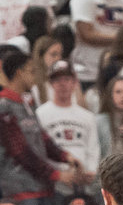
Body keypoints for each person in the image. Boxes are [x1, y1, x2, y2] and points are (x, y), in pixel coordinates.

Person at [0, 49, 80, 205]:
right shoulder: (4, 107)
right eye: (31, 71)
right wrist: (56, 174)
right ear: (19, 73)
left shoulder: (26, 104)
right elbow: (20, 151)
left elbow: (42, 138)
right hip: (21, 187)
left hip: (41, 184)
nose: (34, 76)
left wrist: (64, 156)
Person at [37, 61, 101, 196]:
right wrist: (56, 174)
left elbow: (92, 147)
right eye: (58, 80)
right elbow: (40, 149)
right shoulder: (40, 114)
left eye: (67, 79)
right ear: (51, 83)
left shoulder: (87, 116)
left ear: (75, 82)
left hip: (81, 181)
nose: (63, 84)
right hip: (53, 182)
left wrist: (90, 170)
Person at [69, 0, 123, 86]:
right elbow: (87, 35)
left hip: (115, 70)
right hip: (87, 71)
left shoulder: (122, 1)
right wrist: (119, 38)